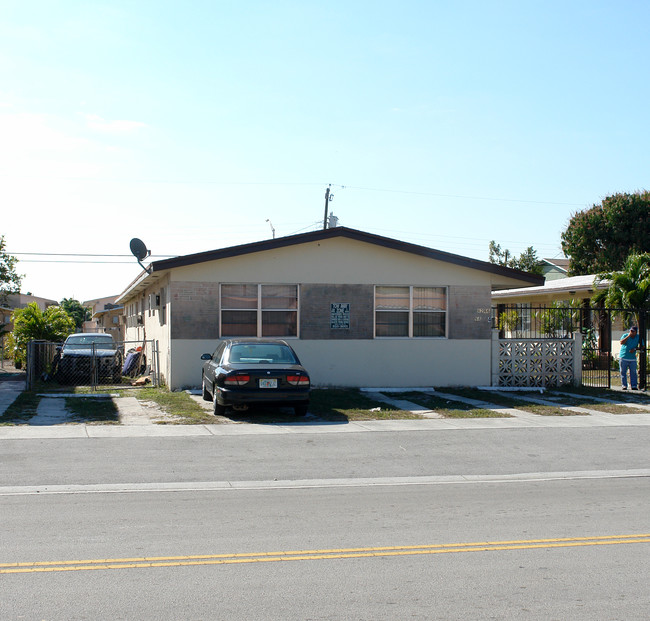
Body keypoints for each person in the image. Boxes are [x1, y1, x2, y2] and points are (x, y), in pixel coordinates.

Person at [619, 325, 640, 390]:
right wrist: (628, 336)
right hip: (623, 356)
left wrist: (635, 349)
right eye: (630, 331)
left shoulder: (638, 337)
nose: (631, 332)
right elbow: (621, 342)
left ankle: (634, 385)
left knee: (633, 372)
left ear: (636, 332)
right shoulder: (625, 335)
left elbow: (642, 346)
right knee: (623, 372)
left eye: (633, 331)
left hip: (632, 358)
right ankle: (624, 385)